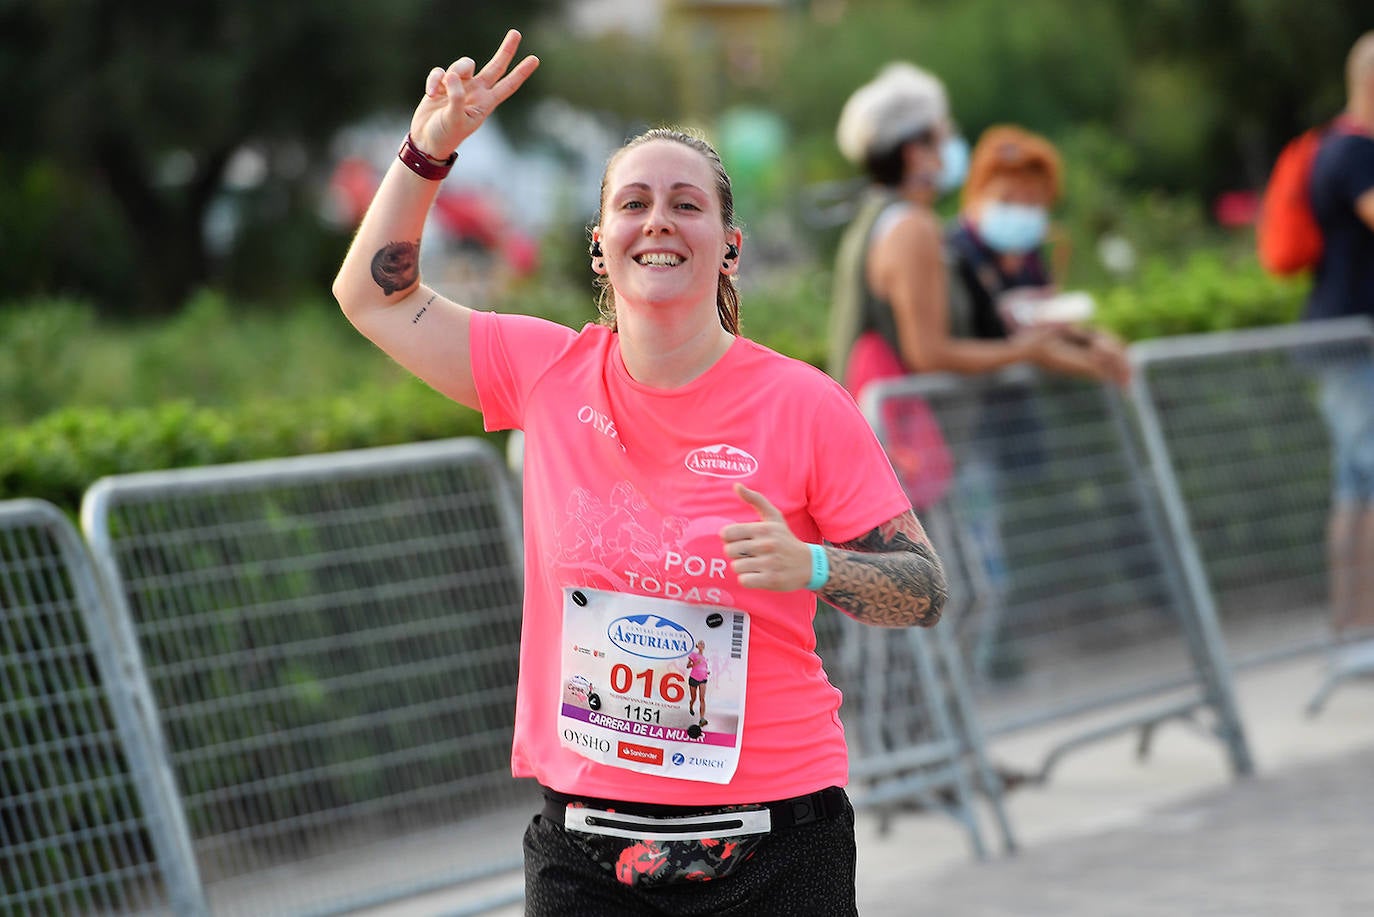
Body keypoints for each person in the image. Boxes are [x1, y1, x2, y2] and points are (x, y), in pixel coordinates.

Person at [332, 30, 948, 916]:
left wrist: (812, 566)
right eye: (634, 202)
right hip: (588, 850)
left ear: (728, 246)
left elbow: (923, 589)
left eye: (686, 204)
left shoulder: (804, 404)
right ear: (600, 243)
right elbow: (371, 296)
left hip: (775, 843)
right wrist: (429, 147)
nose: (658, 219)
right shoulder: (541, 372)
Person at [1307, 31, 1374, 648]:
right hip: (1352, 344)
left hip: (1351, 342)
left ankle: (1355, 625)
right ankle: (1357, 626)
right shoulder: (1353, 152)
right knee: (1366, 478)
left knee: (1358, 484)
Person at [686, 639, 709, 725]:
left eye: (703, 643)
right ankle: (691, 706)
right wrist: (695, 664)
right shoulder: (693, 654)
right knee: (694, 698)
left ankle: (702, 718)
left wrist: (707, 672)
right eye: (700, 643)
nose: (702, 644)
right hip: (693, 678)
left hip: (703, 679)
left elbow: (704, 668)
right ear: (697, 646)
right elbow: (688, 666)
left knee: (702, 699)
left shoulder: (705, 658)